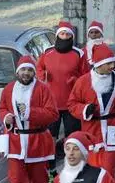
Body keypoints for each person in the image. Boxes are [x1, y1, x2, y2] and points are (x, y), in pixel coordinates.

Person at [0, 56, 59, 183]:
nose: (26, 74)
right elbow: (2, 109)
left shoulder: (43, 89)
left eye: (29, 70)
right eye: (23, 70)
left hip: (37, 143)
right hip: (16, 143)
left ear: (34, 72)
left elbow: (52, 114)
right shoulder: (8, 89)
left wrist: (29, 113)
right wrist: (7, 116)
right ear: (17, 72)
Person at [68, 44, 115, 177]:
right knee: (94, 169)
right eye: (108, 63)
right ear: (99, 64)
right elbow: (72, 104)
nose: (112, 66)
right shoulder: (83, 81)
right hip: (92, 130)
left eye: (113, 63)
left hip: (114, 128)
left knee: (109, 169)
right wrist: (84, 109)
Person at [36, 21, 85, 162]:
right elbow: (38, 68)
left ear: (72, 37)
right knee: (51, 136)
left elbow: (86, 75)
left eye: (67, 34)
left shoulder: (78, 54)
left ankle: (72, 164)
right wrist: (43, 75)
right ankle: (51, 167)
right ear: (58, 35)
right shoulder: (47, 52)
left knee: (72, 137)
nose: (64, 36)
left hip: (71, 103)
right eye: (62, 34)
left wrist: (76, 80)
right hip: (51, 103)